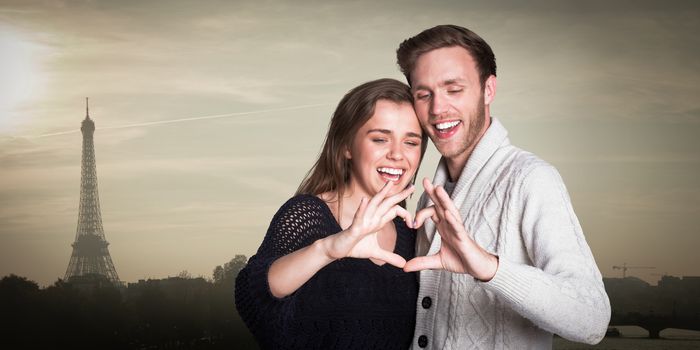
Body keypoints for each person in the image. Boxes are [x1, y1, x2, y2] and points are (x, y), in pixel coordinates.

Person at [395, 25, 611, 349]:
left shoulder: (531, 179)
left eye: (454, 89)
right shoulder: (430, 196)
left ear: (488, 90)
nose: (438, 108)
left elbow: (593, 320)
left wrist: (488, 267)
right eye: (424, 94)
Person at [235, 78, 429, 349]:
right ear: (347, 146)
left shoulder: (411, 235)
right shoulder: (308, 214)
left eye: (411, 142)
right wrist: (328, 250)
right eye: (380, 139)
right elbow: (251, 293)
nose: (397, 154)